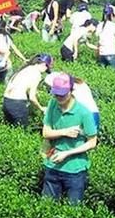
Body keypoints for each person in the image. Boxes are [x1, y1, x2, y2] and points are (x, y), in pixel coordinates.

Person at [41, 73, 98, 204]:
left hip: (75, 169)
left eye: (62, 94)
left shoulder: (84, 112)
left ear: (71, 91)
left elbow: (92, 142)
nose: (58, 97)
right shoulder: (52, 104)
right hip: (52, 164)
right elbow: (46, 132)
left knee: (73, 208)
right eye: (56, 94)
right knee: (47, 206)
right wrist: (65, 132)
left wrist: (67, 153)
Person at [2, 54, 54, 126]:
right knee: (22, 130)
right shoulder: (36, 74)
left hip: (6, 101)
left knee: (9, 127)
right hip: (17, 104)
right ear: (44, 64)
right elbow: (32, 97)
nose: (45, 71)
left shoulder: (25, 68)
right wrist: (41, 108)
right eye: (46, 68)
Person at [95, 4, 115, 69]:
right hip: (111, 52)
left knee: (102, 72)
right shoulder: (114, 25)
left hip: (101, 53)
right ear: (111, 15)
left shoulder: (99, 25)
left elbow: (97, 38)